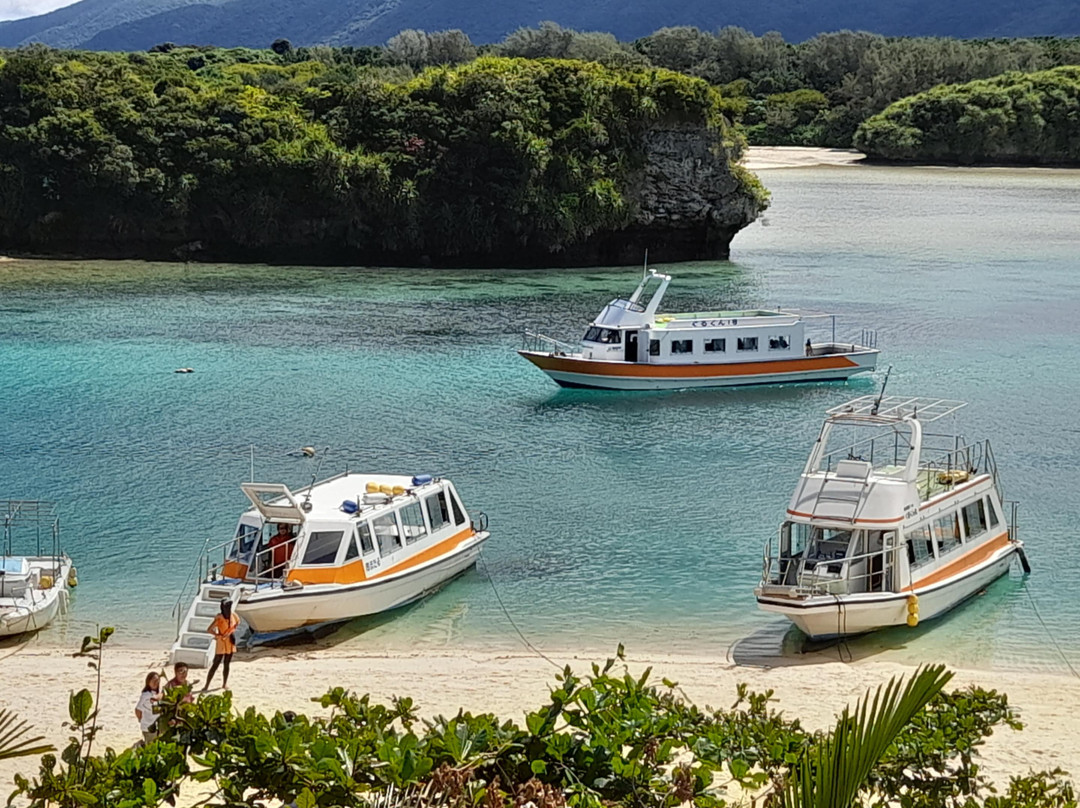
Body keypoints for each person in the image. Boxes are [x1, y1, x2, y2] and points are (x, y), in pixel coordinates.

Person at [204, 600, 240, 692]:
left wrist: (231, 632)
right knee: (215, 664)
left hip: (230, 640)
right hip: (221, 642)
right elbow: (209, 629)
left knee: (227, 664)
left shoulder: (233, 615)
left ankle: (224, 683)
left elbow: (237, 623)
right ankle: (206, 685)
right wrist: (218, 635)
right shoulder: (219, 618)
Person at [135, 671, 162, 745]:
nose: (155, 682)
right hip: (148, 727)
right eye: (153, 680)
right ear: (148, 681)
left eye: (157, 681)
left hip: (157, 727)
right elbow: (137, 710)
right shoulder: (145, 695)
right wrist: (141, 720)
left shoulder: (157, 693)